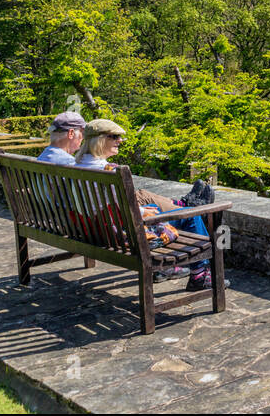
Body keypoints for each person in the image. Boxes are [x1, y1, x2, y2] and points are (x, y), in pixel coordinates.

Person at [75, 118, 227, 292]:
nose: (120, 141)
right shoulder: (109, 170)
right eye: (114, 136)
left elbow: (110, 205)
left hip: (97, 232)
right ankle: (200, 274)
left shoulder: (76, 165)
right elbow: (125, 210)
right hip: (126, 235)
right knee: (192, 216)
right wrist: (142, 211)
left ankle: (183, 212)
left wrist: (140, 209)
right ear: (99, 140)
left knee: (156, 206)